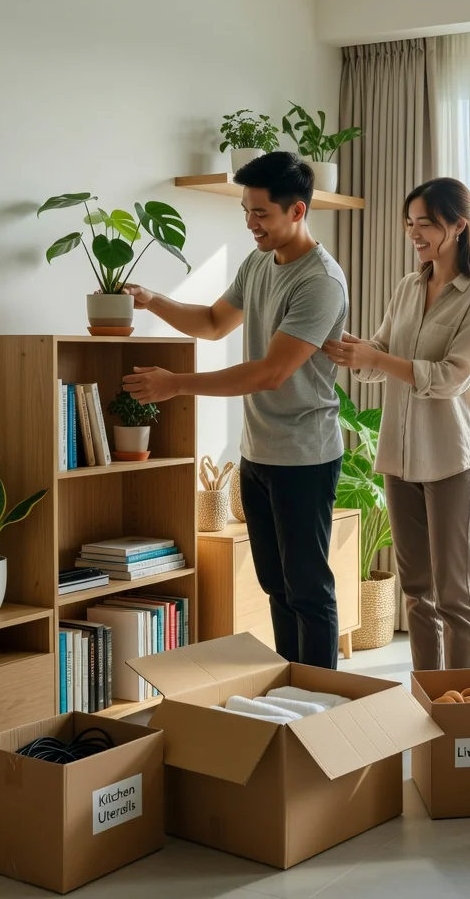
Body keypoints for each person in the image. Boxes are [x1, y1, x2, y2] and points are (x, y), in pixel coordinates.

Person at [121, 151, 348, 670]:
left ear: (297, 211)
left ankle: (321, 700)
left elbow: (271, 372)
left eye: (261, 214)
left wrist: (177, 384)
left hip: (305, 456)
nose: (251, 224)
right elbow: (211, 322)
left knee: (308, 589)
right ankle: (294, 686)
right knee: (275, 584)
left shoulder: (321, 282)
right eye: (246, 212)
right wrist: (154, 299)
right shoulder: (258, 263)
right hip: (259, 452)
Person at [323, 177, 470, 670]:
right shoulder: (408, 287)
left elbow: (450, 378)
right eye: (410, 223)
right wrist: (354, 350)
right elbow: (383, 349)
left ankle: (466, 708)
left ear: (458, 226)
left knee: (456, 595)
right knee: (417, 593)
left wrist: (378, 361)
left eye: (426, 223)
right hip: (400, 457)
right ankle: (429, 699)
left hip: (452, 458)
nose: (415, 233)